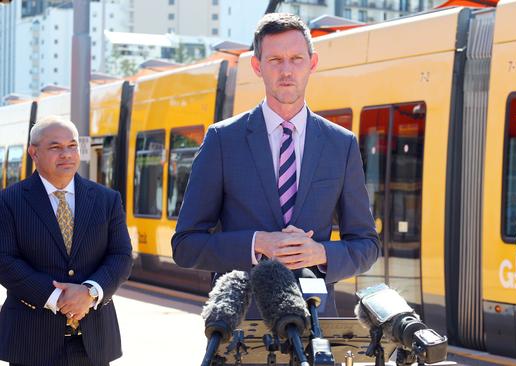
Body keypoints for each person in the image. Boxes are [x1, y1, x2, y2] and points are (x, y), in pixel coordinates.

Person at [171, 13, 380, 316]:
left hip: (315, 321)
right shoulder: (221, 140)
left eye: (296, 59)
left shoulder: (341, 144)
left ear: (313, 63)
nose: (286, 70)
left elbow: (366, 244)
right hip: (241, 325)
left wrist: (321, 253)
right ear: (257, 67)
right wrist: (257, 244)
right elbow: (186, 245)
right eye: (275, 60)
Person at [0, 116, 133, 366]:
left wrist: (90, 292)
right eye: (55, 147)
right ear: (33, 152)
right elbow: (4, 261)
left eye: (72, 146)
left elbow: (121, 256)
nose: (67, 154)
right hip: (30, 344)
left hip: (94, 343)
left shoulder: (107, 199)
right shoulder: (8, 201)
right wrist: (58, 298)